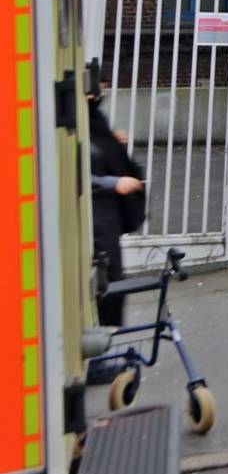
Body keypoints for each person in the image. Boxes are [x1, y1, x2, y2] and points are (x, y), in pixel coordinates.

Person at [86, 79, 145, 333]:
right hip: (95, 220)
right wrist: (113, 183)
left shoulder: (90, 118)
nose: (102, 89)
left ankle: (107, 344)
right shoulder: (76, 118)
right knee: (105, 283)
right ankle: (103, 349)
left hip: (105, 220)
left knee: (110, 280)